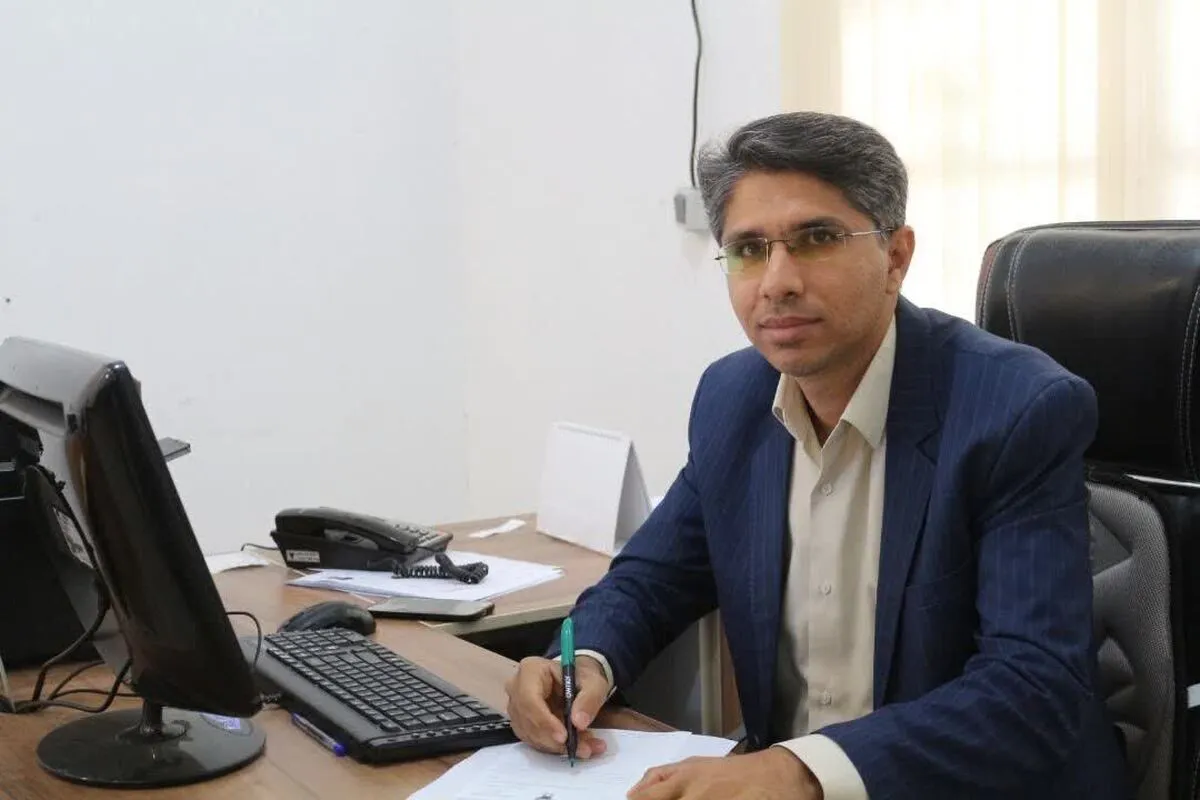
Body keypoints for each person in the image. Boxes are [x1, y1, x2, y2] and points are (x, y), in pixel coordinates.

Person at [504, 111, 1131, 799]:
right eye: (748, 249)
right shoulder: (733, 399)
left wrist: (800, 770)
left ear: (895, 257)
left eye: (817, 238)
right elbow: (652, 579)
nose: (776, 282)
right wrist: (583, 662)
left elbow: (1032, 691)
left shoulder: (1015, 409)